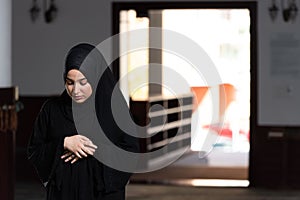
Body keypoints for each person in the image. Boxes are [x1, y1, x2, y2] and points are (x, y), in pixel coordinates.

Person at [27, 43, 139, 200]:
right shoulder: (52, 110)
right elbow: (34, 152)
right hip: (63, 193)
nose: (76, 90)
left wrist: (91, 149)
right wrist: (64, 143)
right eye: (70, 82)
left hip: (102, 194)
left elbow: (131, 153)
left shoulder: (115, 110)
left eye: (83, 82)